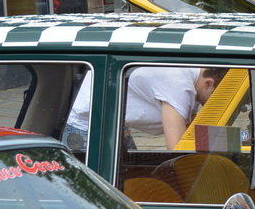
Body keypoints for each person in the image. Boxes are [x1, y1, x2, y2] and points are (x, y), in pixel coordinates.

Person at [65, 64, 220, 152]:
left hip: (115, 126)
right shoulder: (179, 84)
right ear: (208, 83)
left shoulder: (191, 75)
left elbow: (190, 134)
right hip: (88, 129)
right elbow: (177, 149)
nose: (214, 102)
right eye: (217, 95)